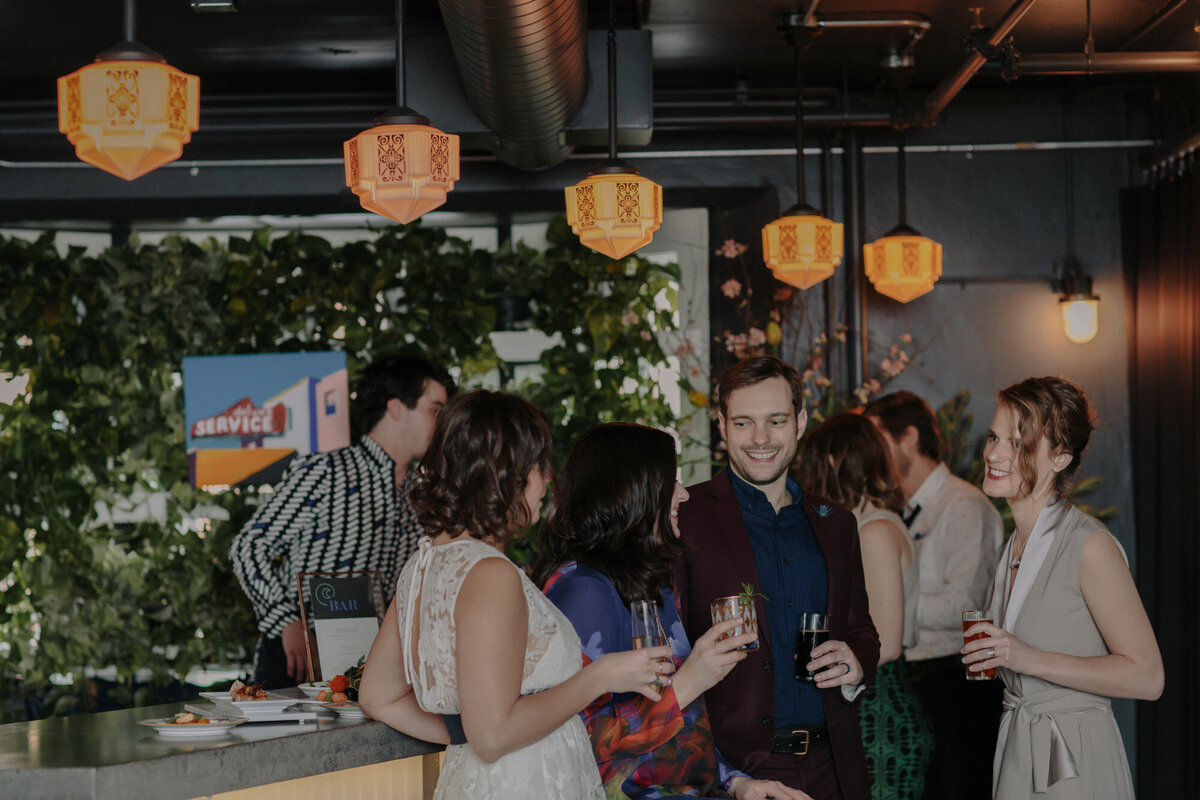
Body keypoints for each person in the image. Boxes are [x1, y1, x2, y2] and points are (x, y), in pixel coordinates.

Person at [359, 391, 673, 799]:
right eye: (539, 464)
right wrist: (601, 675)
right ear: (508, 475)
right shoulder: (490, 573)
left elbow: (378, 697)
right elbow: (493, 736)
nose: (549, 478)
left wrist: (465, 735)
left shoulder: (422, 565)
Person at [535, 422, 811, 800]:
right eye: (671, 482)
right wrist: (689, 681)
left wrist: (736, 782)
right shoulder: (583, 591)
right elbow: (573, 740)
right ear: (631, 490)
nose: (682, 494)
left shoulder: (653, 582)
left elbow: (684, 728)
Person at [672, 356, 880, 800]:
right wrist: (725, 778)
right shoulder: (685, 518)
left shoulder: (836, 523)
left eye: (776, 420)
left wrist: (856, 661)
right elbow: (666, 656)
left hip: (833, 767)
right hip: (734, 772)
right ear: (722, 426)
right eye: (744, 423)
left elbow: (862, 630)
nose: (761, 439)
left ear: (800, 422)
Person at [961, 376, 1163, 798]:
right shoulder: (1013, 545)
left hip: (1073, 758)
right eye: (994, 437)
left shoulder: (1089, 547)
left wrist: (1026, 657)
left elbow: (1148, 677)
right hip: (1019, 746)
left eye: (1018, 444)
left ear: (1060, 458)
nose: (994, 454)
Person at [230, 352, 454, 688]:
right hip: (299, 658)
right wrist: (284, 621)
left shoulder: (422, 493)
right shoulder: (325, 472)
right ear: (395, 408)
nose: (441, 423)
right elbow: (248, 546)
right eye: (434, 410)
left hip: (375, 668)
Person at [862, 390, 1004, 800]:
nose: (872, 452)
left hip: (956, 683)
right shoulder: (896, 509)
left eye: (877, 440)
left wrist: (883, 605)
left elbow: (965, 603)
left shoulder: (964, 505)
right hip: (914, 680)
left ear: (908, 437)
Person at [795, 413, 933, 800]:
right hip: (870, 698)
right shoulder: (870, 524)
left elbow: (886, 643)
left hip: (879, 708)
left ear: (834, 461)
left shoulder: (874, 530)